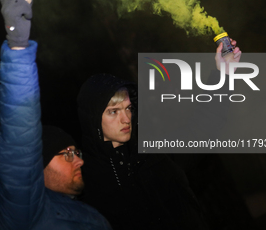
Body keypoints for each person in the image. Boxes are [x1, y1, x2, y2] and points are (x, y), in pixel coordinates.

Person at [77, 41, 241, 229]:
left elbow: (201, 129)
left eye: (128, 108)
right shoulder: (86, 181)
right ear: (93, 119)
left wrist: (224, 75)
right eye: (113, 111)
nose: (126, 118)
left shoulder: (151, 152)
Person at [0, 0, 111, 230]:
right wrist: (18, 48)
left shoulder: (89, 212)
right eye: (67, 154)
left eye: (76, 153)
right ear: (38, 166)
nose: (78, 161)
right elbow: (20, 142)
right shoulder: (25, 214)